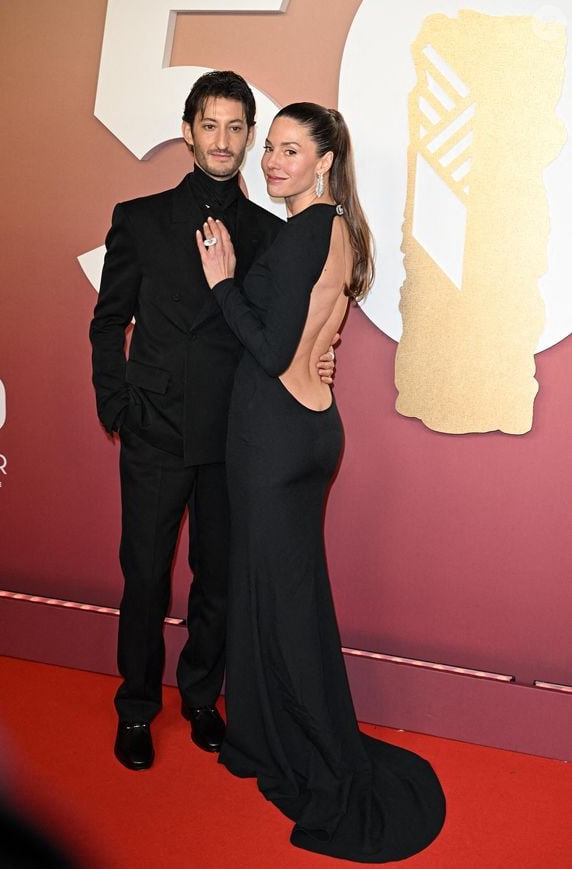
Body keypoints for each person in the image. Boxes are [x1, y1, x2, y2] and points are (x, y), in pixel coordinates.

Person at [196, 103, 446, 862]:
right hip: (311, 431)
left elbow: (271, 348)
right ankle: (262, 733)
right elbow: (312, 333)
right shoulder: (340, 230)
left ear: (325, 160)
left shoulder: (305, 232)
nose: (271, 161)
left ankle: (309, 750)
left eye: (290, 150)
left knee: (279, 603)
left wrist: (222, 279)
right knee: (285, 594)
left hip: (272, 437)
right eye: (267, 148)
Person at [89, 72, 336, 771]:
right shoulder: (138, 219)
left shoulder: (267, 232)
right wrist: (118, 408)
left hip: (235, 438)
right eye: (211, 125)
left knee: (218, 579)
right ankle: (136, 706)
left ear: (249, 135)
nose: (223, 141)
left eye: (237, 128)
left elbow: (280, 328)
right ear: (189, 129)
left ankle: (201, 696)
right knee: (144, 575)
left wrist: (317, 356)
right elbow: (108, 324)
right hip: (155, 430)